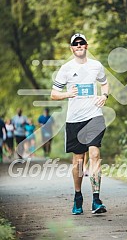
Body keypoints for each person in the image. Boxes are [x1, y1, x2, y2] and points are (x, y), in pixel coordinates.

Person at [51, 33, 109, 215]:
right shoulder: (66, 68)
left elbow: (105, 84)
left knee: (95, 153)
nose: (78, 46)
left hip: (94, 116)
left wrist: (104, 96)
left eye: (81, 43)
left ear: (86, 46)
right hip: (75, 119)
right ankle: (78, 197)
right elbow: (54, 94)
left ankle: (97, 199)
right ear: (71, 48)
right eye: (75, 44)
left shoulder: (96, 66)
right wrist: (68, 94)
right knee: (78, 161)